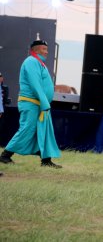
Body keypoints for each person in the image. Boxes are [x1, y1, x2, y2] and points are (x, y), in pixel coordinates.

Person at [0, 35, 62, 168]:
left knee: (44, 130)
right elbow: (36, 84)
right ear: (37, 50)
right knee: (27, 129)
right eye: (44, 49)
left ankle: (46, 161)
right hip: (31, 103)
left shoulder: (39, 63)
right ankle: (5, 155)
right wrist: (45, 102)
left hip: (38, 104)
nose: (47, 51)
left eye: (46, 49)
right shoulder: (31, 62)